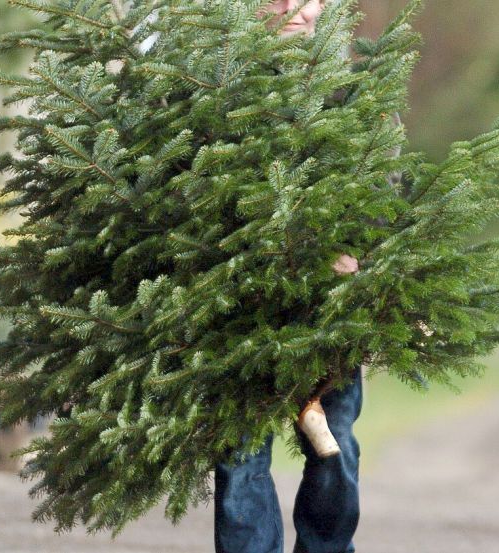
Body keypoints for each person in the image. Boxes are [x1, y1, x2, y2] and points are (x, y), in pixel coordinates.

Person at [214, 2, 364, 552]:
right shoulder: (216, 84)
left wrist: (353, 251)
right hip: (236, 310)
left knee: (335, 446)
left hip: (329, 313)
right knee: (240, 459)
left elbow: (385, 185)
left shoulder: (353, 91)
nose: (290, 8)